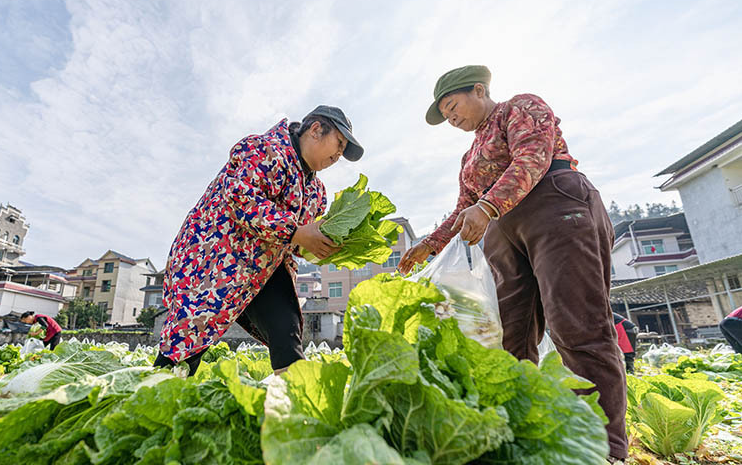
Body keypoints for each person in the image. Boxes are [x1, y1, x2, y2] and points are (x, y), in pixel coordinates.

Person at [398, 65, 628, 462]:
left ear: (479, 90)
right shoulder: (470, 154)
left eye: (453, 107)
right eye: (446, 117)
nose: (452, 119)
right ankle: (520, 435)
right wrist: (430, 245)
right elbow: (462, 209)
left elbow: (533, 156)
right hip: (504, 232)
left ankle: (603, 447)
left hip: (556, 209)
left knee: (577, 327)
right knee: (510, 337)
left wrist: (487, 205)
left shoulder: (520, 107)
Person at [155, 106, 363, 376]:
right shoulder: (264, 150)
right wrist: (297, 233)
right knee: (189, 338)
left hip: (265, 268)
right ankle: (150, 397)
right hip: (215, 259)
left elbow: (299, 239)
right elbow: (241, 198)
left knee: (285, 331)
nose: (338, 156)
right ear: (315, 130)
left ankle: (295, 408)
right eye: (339, 144)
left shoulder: (315, 192)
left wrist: (318, 244)